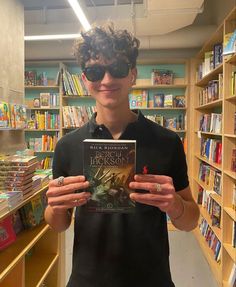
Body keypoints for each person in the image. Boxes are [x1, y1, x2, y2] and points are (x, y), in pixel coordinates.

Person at [44, 26, 200, 287]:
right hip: (87, 279)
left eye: (117, 68)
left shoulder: (167, 141)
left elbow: (190, 221)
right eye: (95, 71)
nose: (106, 79)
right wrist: (55, 207)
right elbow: (59, 225)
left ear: (133, 74)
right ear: (84, 79)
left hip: (151, 279)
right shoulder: (67, 146)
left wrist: (176, 206)